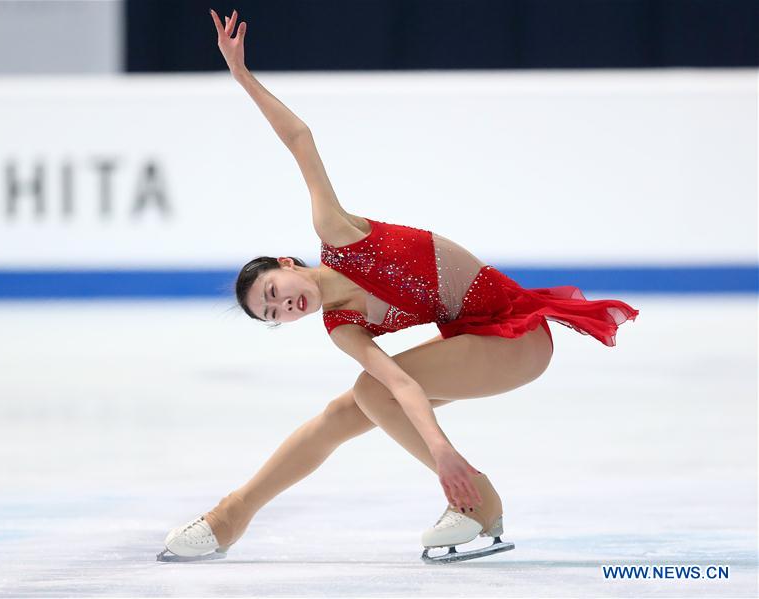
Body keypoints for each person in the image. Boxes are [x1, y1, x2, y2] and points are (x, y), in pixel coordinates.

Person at [157, 9, 639, 563]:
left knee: (366, 393)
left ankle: (476, 501)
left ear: (287, 264)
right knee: (347, 410)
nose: (285, 306)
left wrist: (243, 77)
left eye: (273, 292)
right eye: (275, 316)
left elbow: (300, 138)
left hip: (517, 338)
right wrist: (441, 453)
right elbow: (401, 387)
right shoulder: (343, 328)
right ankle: (230, 516)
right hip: (481, 342)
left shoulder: (338, 234)